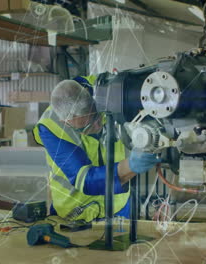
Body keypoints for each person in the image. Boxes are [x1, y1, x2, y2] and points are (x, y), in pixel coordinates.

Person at [33, 78, 160, 222]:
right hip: (75, 213)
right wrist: (131, 165)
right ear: (66, 122)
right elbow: (84, 179)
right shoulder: (50, 128)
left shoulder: (106, 87)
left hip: (119, 205)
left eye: (97, 117)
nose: (98, 126)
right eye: (87, 127)